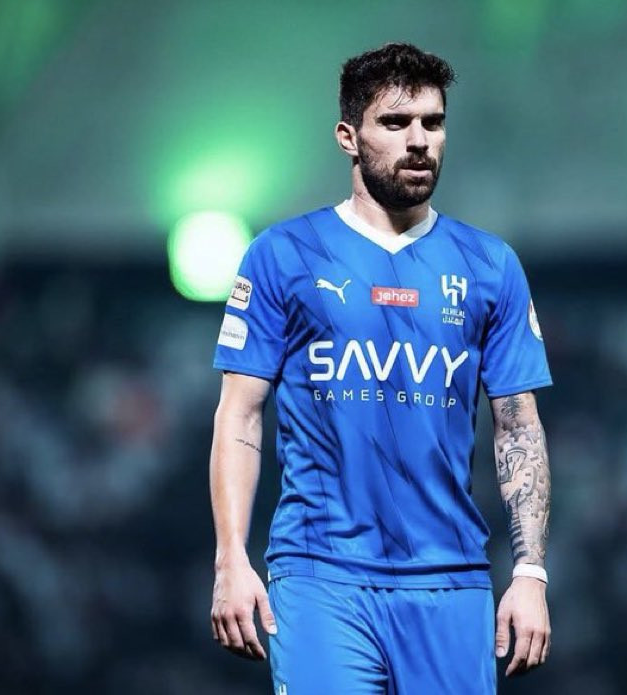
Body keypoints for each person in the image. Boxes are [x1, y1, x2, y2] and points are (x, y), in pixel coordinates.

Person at [209, 42, 553, 694]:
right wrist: (231, 558)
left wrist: (530, 573)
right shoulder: (283, 255)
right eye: (395, 123)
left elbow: (519, 427)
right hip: (319, 573)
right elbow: (240, 415)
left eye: (433, 122)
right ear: (348, 137)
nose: (419, 140)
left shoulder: (491, 266)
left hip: (451, 578)